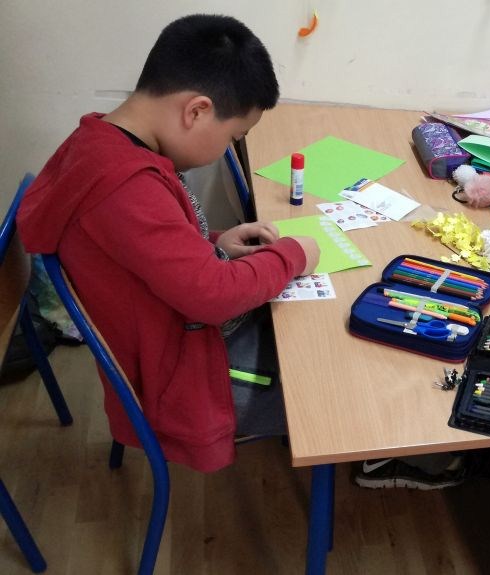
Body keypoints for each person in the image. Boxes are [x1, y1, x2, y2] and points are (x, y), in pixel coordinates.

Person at [17, 14, 319, 472]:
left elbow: (146, 247)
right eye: (233, 137)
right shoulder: (126, 187)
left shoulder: (101, 142)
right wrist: (293, 255)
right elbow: (212, 296)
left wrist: (214, 243)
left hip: (170, 338)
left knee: (312, 330)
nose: (226, 149)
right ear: (196, 111)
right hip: (180, 380)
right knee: (323, 391)